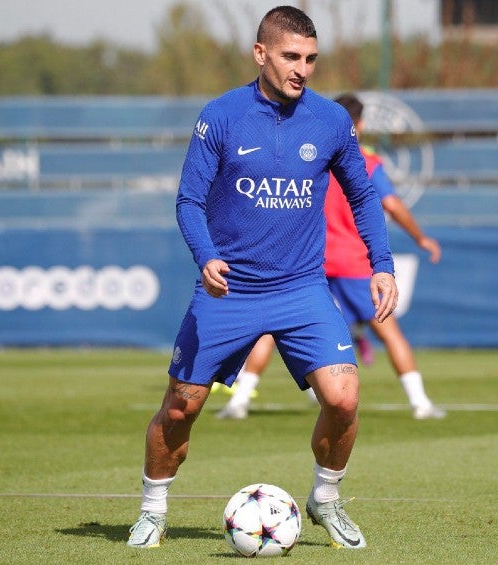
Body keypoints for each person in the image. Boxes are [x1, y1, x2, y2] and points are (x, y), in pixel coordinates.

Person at [127, 6, 397, 551]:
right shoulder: (220, 116)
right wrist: (205, 256)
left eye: (311, 59)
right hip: (229, 289)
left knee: (343, 398)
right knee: (181, 406)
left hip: (301, 288)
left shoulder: (330, 121)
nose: (303, 69)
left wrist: (382, 264)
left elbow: (363, 194)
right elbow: (188, 200)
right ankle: (153, 510)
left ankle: (326, 497)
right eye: (291, 57)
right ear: (260, 54)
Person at [217, 92, 446, 421]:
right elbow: (392, 205)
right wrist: (421, 238)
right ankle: (420, 403)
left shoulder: (310, 155)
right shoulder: (365, 163)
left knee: (270, 328)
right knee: (387, 330)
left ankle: (239, 401)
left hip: (310, 263)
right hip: (353, 264)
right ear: (362, 125)